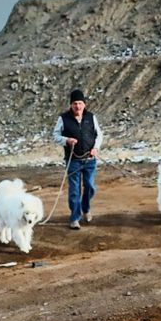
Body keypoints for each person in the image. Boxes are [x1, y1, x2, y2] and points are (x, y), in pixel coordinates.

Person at [52, 89, 103, 229]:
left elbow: (99, 135)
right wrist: (66, 140)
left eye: (80, 103)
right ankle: (75, 218)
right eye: (75, 103)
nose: (78, 106)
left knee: (90, 186)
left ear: (84, 104)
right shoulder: (63, 118)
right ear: (71, 105)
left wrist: (96, 148)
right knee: (74, 190)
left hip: (90, 159)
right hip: (72, 160)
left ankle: (85, 208)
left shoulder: (91, 117)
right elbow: (55, 135)